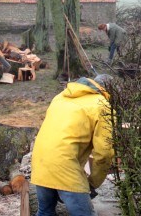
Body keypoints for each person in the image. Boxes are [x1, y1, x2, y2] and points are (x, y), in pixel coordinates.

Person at [31, 75, 115, 216]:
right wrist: (93, 183)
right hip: (64, 165)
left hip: (40, 163)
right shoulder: (102, 105)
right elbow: (104, 153)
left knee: (45, 211)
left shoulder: (60, 97)